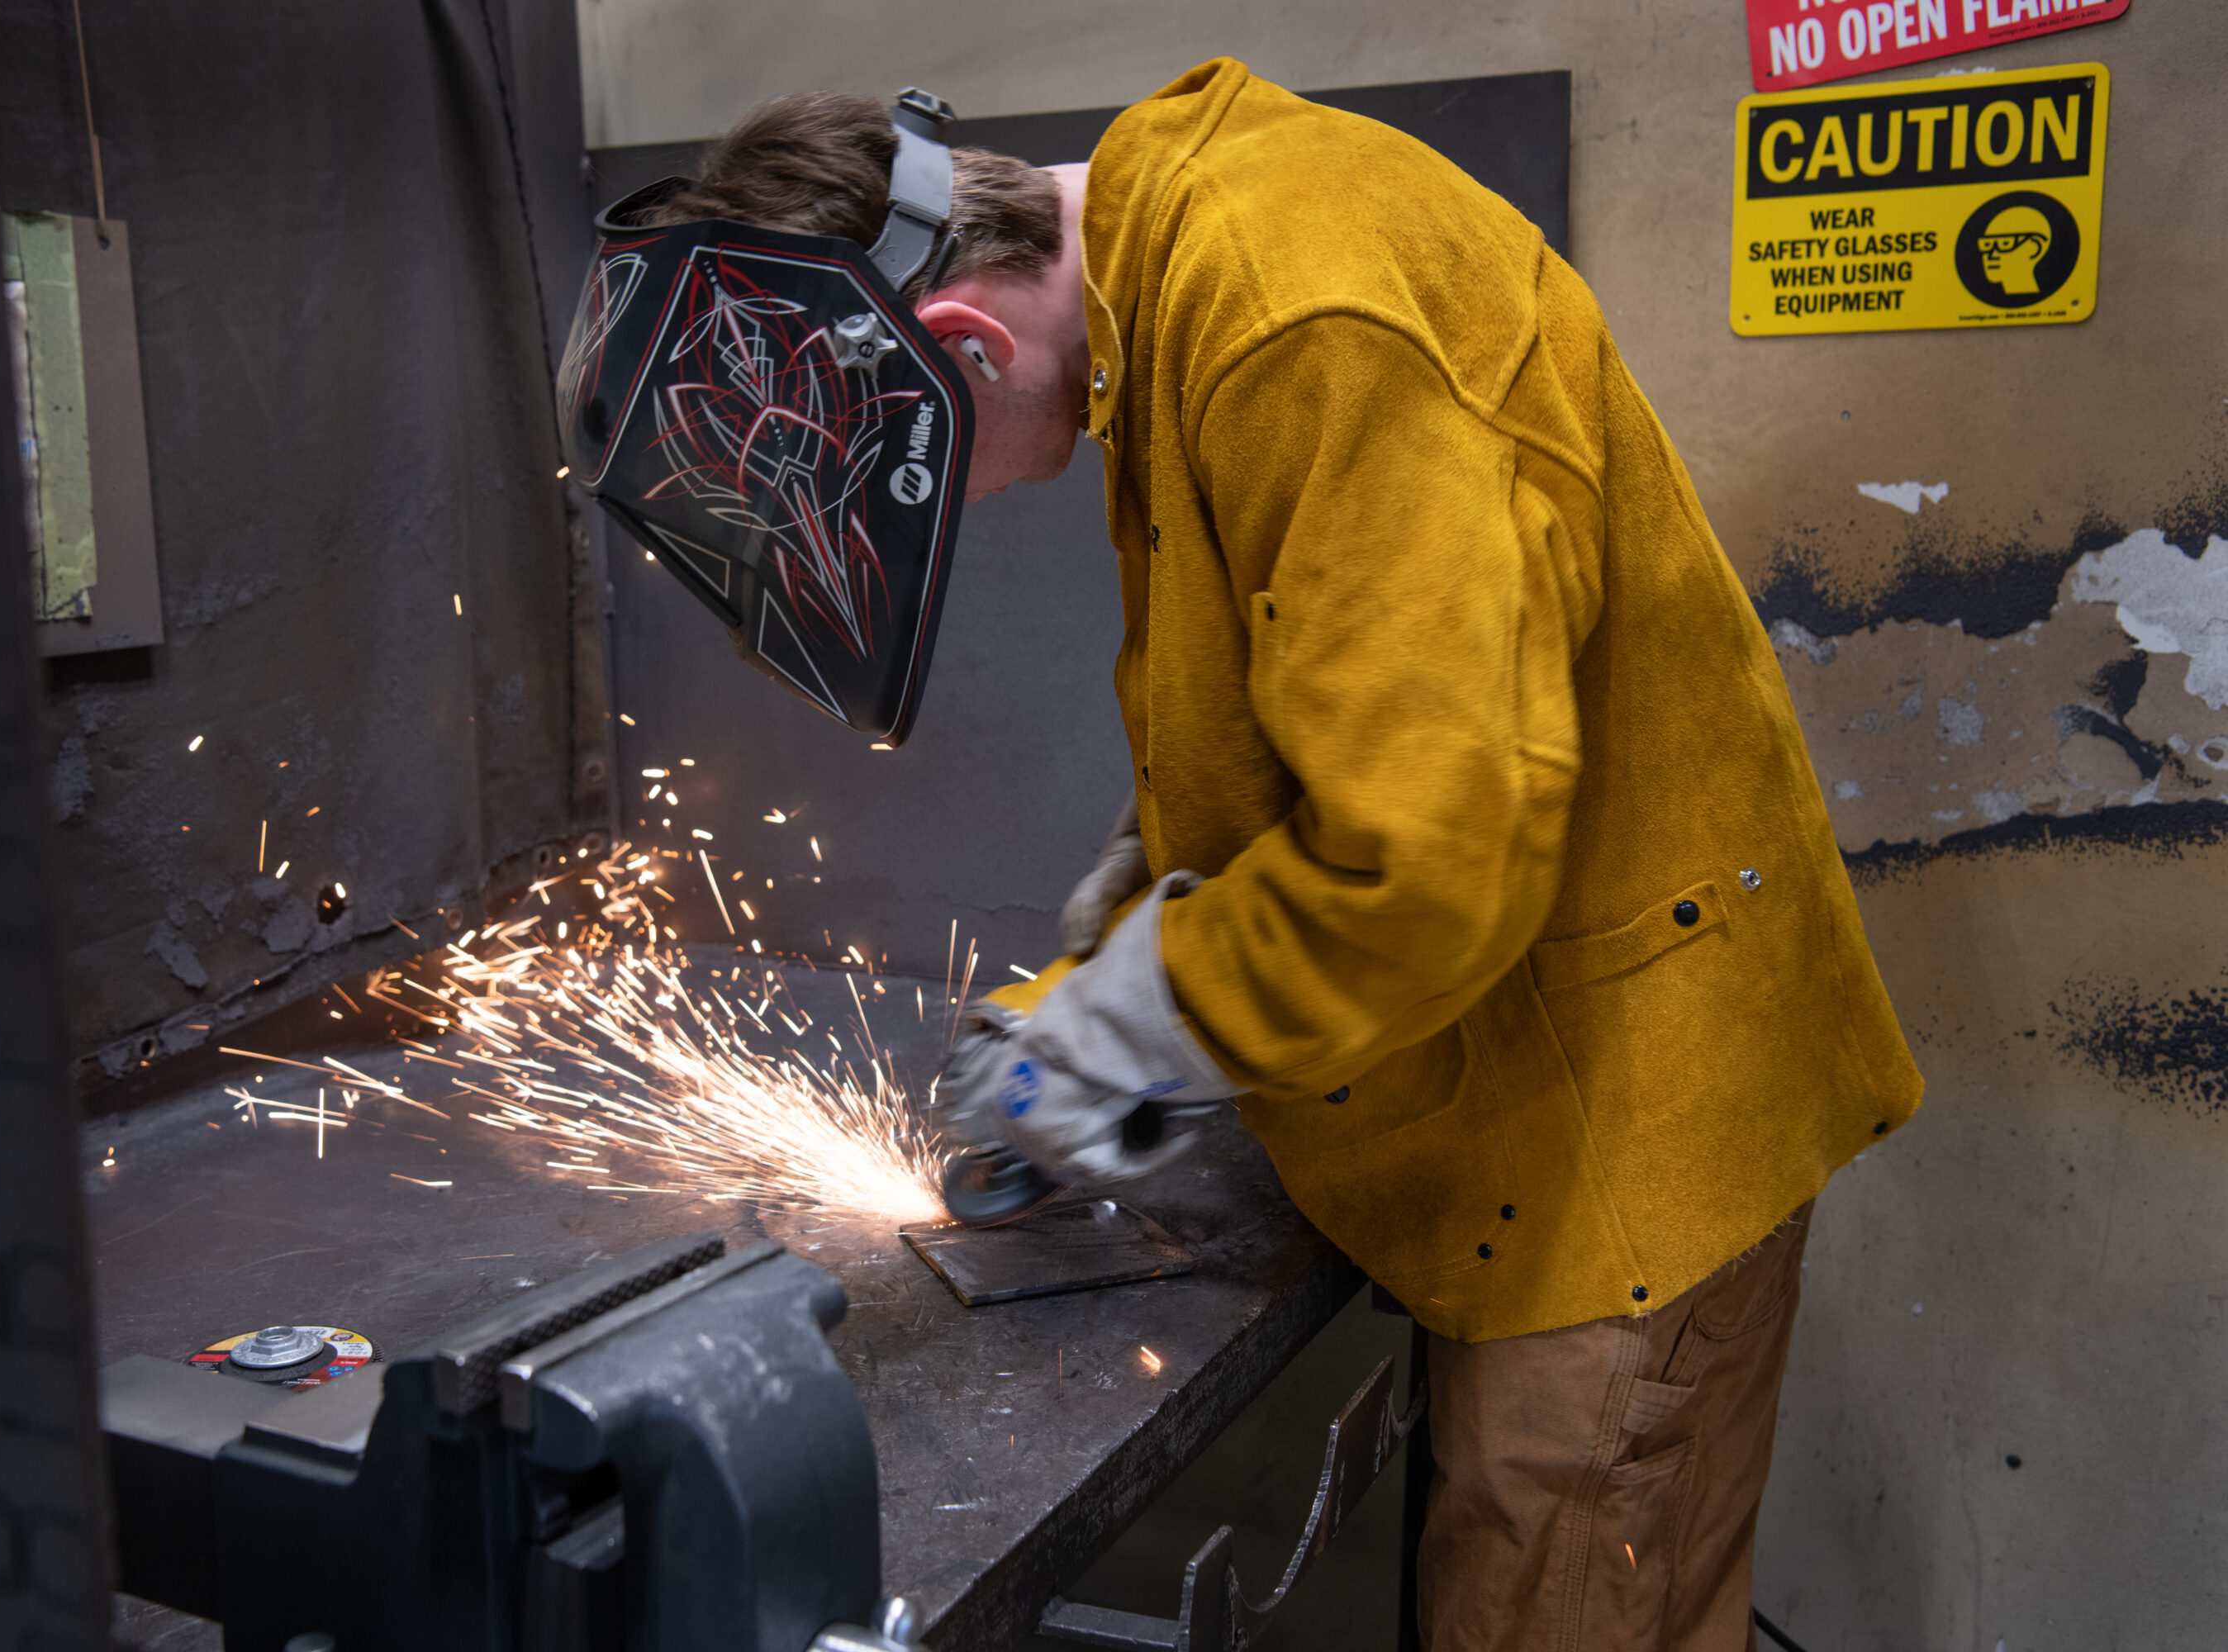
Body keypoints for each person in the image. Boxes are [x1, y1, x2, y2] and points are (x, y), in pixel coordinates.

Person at [644, 59, 1922, 1651]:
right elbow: (1315, 714)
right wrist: (1116, 952)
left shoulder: (1291, 316)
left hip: (1616, 1141)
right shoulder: (1184, 282)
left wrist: (1130, 1029)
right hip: (1525, 1077)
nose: (951, 521)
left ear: (958, 346)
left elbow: (1423, 853)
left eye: (919, 488)